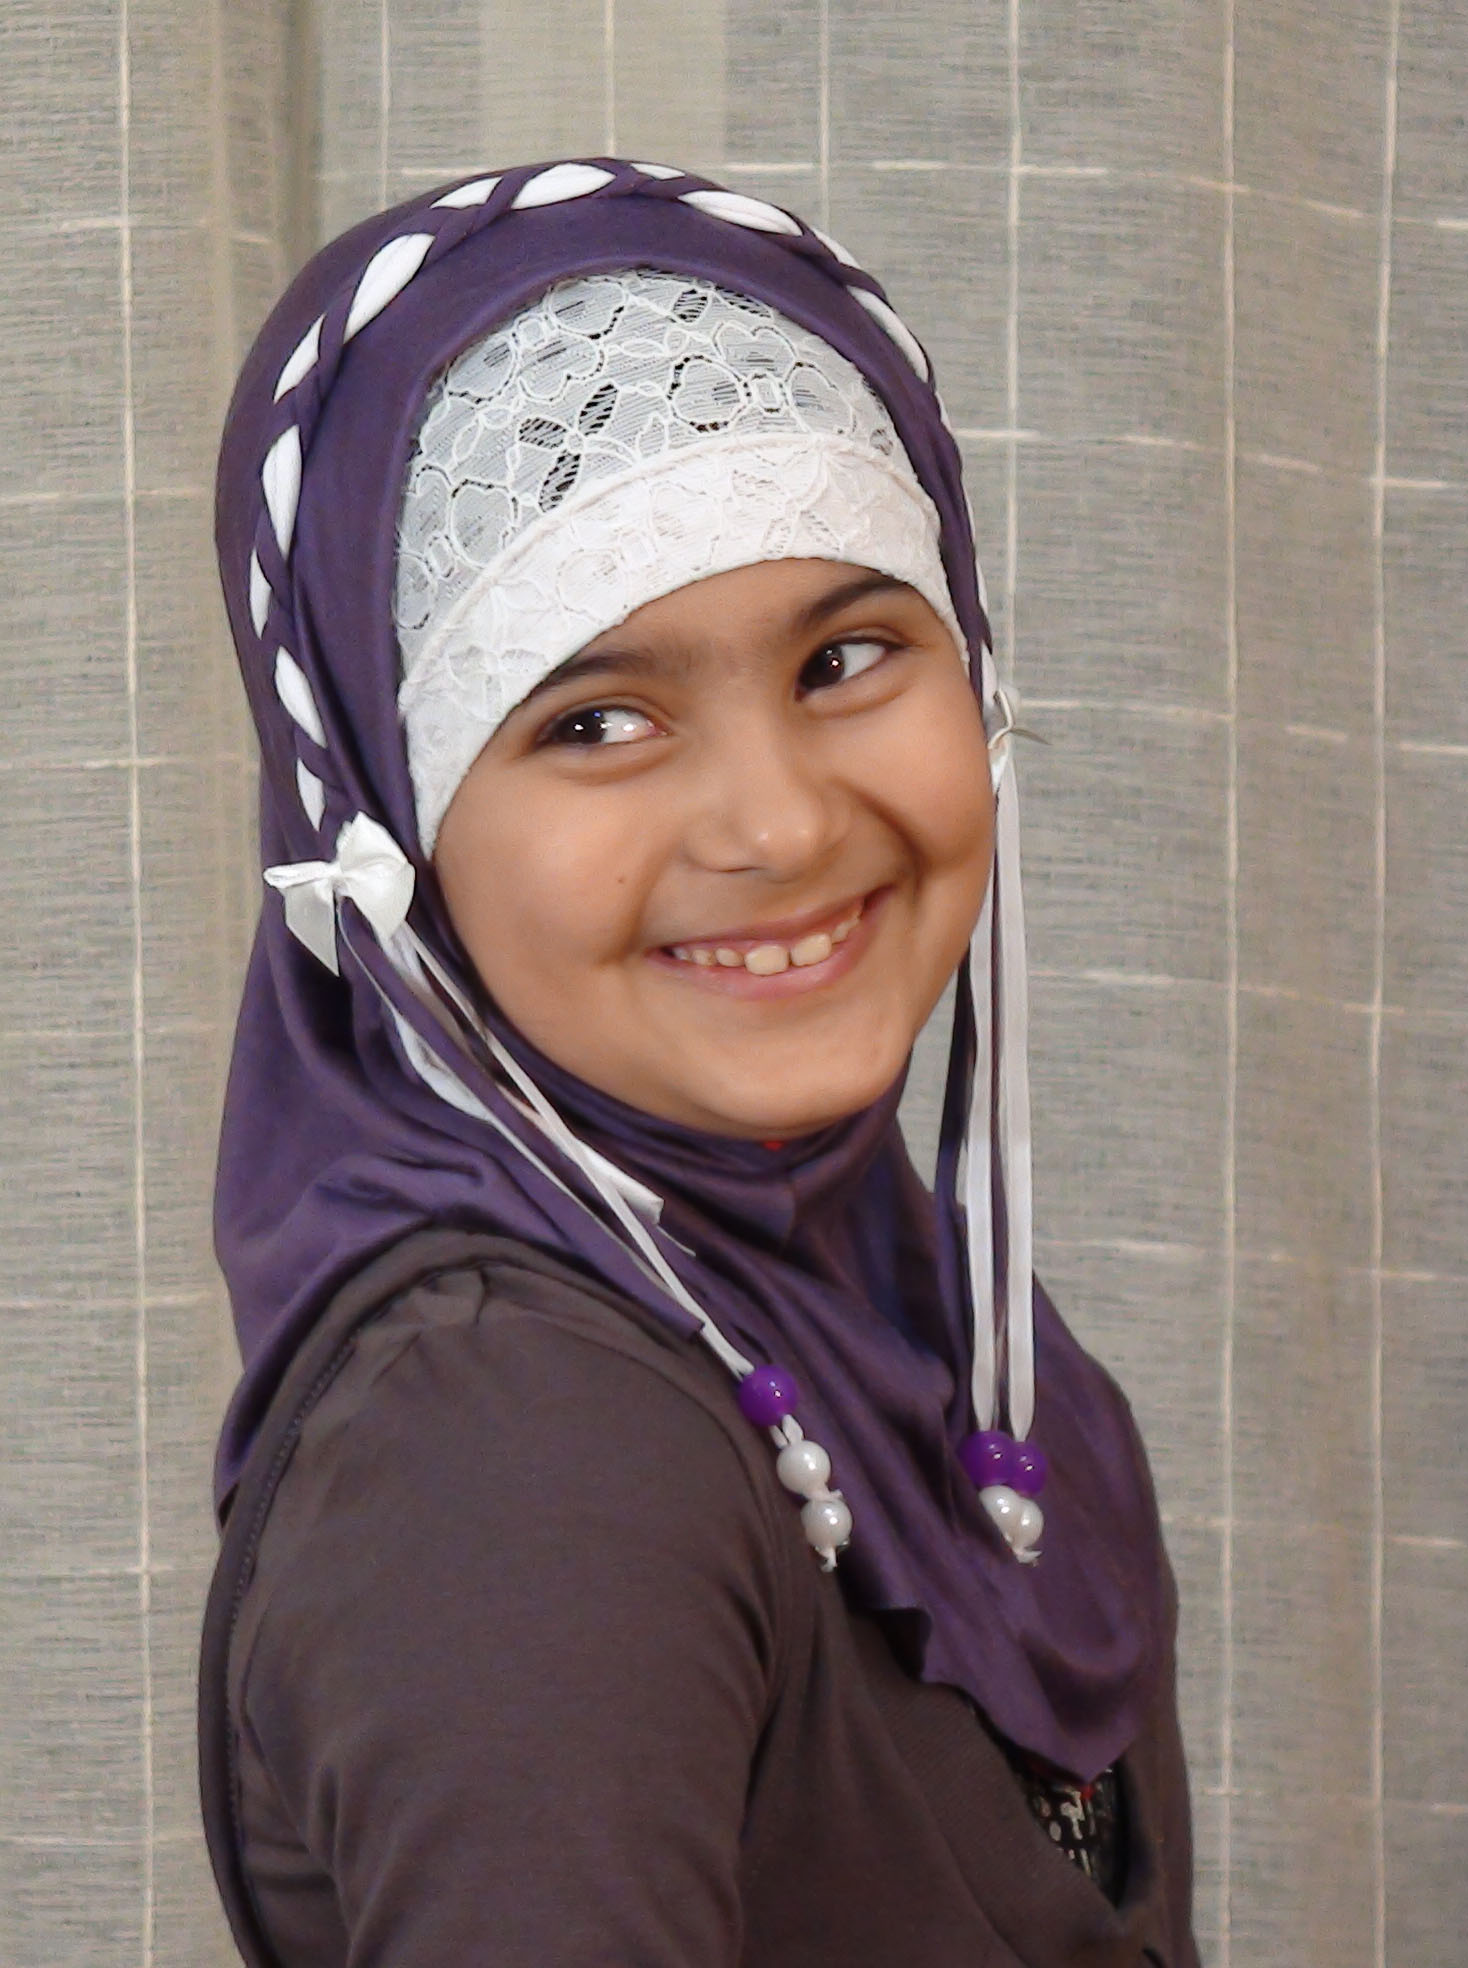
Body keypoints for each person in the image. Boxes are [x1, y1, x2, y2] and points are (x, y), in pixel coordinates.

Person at [197, 158, 1198, 1967]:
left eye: (849, 657)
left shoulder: (921, 1322)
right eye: (596, 720)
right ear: (392, 840)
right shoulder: (514, 1454)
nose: (778, 824)